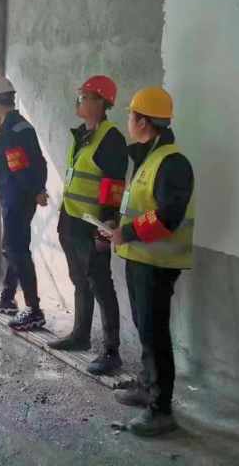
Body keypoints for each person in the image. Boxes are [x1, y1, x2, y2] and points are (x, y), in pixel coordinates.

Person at [98, 86, 195, 437]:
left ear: (142, 121)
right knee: (145, 327)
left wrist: (128, 232)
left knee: (155, 333)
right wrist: (116, 227)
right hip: (140, 258)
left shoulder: (172, 162)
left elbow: (168, 216)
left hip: (157, 263)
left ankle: (161, 409)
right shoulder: (147, 158)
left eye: (131, 115)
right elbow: (141, 208)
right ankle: (146, 386)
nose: (128, 121)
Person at [48, 76, 128, 377]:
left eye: (83, 97)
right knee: (80, 281)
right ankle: (80, 335)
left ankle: (111, 351)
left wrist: (105, 227)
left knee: (100, 285)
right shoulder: (83, 134)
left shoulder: (111, 139)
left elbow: (113, 188)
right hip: (71, 221)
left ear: (100, 103)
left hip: (92, 226)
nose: (78, 101)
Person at [0, 77, 49, 331]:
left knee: (16, 249)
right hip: (21, 196)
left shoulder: (10, 130)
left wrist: (34, 191)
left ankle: (33, 309)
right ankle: (8, 298)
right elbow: (39, 162)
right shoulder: (22, 125)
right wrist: (38, 189)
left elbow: (18, 168)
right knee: (13, 246)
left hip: (16, 198)